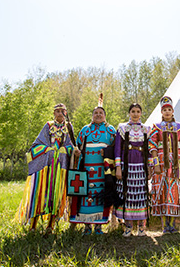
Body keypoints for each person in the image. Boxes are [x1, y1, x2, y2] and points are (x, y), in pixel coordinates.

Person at [16, 103, 79, 234]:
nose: (60, 113)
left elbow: (72, 145)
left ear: (66, 113)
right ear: (54, 113)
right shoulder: (48, 126)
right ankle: (33, 225)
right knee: (39, 193)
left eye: (62, 111)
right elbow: (37, 144)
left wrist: (65, 150)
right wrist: (48, 150)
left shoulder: (68, 127)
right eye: (57, 111)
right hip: (45, 168)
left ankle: (51, 225)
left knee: (55, 195)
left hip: (59, 169)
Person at [69, 96, 116, 235]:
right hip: (86, 168)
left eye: (101, 113)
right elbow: (76, 144)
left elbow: (115, 147)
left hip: (103, 170)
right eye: (96, 113)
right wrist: (76, 152)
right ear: (92, 115)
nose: (98, 115)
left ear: (105, 116)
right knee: (85, 194)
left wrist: (107, 151)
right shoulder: (85, 130)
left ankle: (99, 225)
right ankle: (87, 225)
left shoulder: (110, 130)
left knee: (101, 194)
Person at [148, 96, 180, 233]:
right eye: (164, 109)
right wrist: (155, 164)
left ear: (173, 111)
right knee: (162, 192)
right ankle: (164, 225)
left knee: (174, 192)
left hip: (176, 164)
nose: (167, 112)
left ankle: (172, 224)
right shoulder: (156, 127)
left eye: (169, 109)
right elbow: (152, 145)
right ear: (161, 112)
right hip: (161, 164)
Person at [114, 103, 151, 237]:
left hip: (140, 164)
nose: (135, 114)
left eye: (138, 111)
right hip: (126, 165)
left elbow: (149, 151)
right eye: (133, 111)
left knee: (141, 194)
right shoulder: (122, 128)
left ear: (141, 113)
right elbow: (117, 148)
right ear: (129, 113)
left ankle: (141, 227)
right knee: (127, 194)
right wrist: (118, 167)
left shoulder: (146, 129)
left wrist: (149, 167)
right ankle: (128, 226)